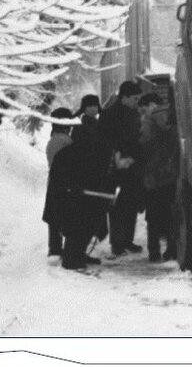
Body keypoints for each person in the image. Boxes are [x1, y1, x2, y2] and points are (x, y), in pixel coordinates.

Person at [45, 103, 115, 272]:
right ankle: (63, 253)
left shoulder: (61, 140)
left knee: (70, 222)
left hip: (65, 187)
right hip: (65, 188)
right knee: (69, 223)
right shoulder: (62, 142)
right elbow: (63, 166)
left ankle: (73, 253)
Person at [97, 79, 144, 254]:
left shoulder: (133, 113)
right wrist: (117, 157)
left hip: (132, 166)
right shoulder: (110, 115)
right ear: (124, 97)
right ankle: (117, 242)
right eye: (134, 99)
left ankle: (127, 240)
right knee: (117, 206)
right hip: (116, 167)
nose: (137, 103)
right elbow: (106, 140)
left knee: (130, 204)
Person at [138, 92, 179, 262]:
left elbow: (144, 146)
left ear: (152, 105)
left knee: (153, 217)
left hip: (153, 174)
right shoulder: (175, 117)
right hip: (172, 173)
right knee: (170, 215)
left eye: (143, 110)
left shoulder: (149, 122)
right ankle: (172, 249)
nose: (143, 114)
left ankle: (154, 252)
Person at [42, 108, 74, 257]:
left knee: (55, 214)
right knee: (60, 215)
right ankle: (56, 248)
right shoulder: (63, 140)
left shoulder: (54, 139)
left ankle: (55, 247)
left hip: (56, 183)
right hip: (63, 183)